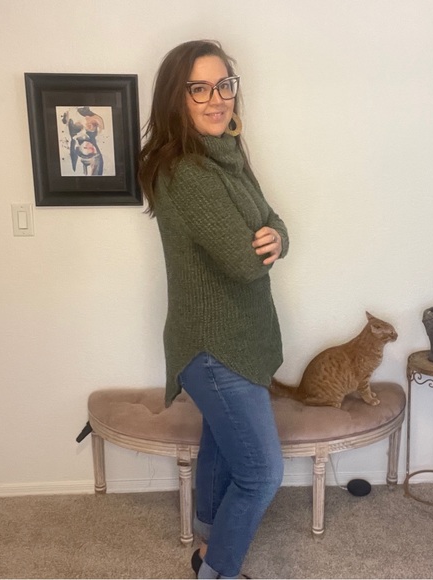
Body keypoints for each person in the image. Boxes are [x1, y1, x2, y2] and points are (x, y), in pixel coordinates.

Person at [138, 40, 289, 579]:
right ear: (175, 98)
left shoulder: (227, 154)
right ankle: (217, 569)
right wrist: (265, 241)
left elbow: (272, 220)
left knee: (222, 446)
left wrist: (279, 237)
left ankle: (206, 542)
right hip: (213, 346)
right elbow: (245, 262)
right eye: (199, 88)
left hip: (239, 338)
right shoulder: (186, 172)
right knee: (262, 473)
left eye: (223, 85)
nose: (216, 98)